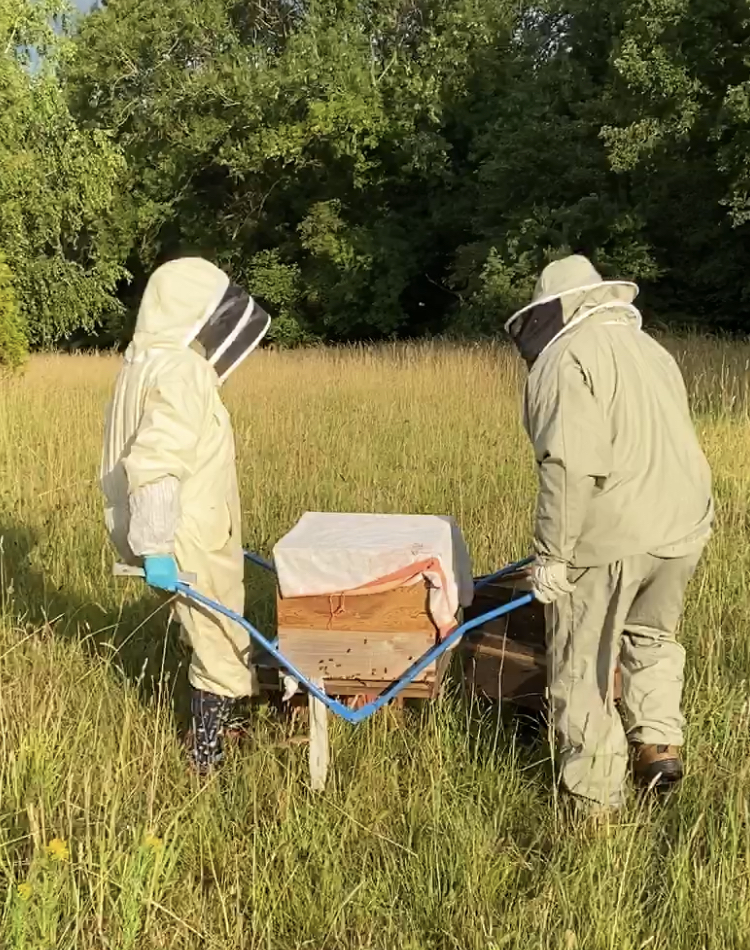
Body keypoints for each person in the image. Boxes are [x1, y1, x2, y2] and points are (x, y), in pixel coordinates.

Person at [505, 254, 713, 816]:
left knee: (583, 664)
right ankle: (658, 748)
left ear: (550, 313)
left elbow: (570, 463)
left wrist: (553, 555)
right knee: (652, 638)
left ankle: (595, 802)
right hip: (683, 525)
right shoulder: (651, 350)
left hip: (613, 534)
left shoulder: (564, 357)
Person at [101, 256, 271, 773]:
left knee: (200, 625)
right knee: (220, 636)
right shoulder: (183, 370)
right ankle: (206, 753)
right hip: (182, 532)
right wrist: (156, 546)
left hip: (164, 525)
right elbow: (155, 460)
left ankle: (221, 725)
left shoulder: (141, 364)